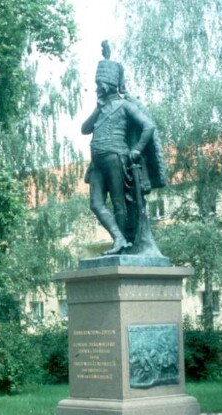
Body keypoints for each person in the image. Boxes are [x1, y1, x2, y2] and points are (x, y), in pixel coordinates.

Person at [82, 42, 166, 256]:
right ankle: (118, 238)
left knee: (119, 203)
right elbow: (84, 129)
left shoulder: (125, 105)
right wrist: (96, 110)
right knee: (96, 204)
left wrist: (137, 149)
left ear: (108, 84)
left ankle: (123, 244)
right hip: (98, 162)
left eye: (99, 83)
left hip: (116, 158)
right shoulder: (100, 109)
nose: (96, 87)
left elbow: (149, 126)